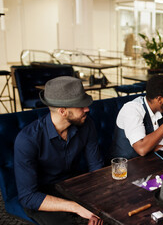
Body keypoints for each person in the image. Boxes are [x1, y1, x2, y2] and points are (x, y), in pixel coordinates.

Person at [14, 76, 104, 225]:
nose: (87, 109)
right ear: (62, 111)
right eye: (81, 106)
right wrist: (77, 207)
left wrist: (95, 205)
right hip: (42, 196)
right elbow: (28, 196)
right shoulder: (27, 139)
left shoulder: (87, 124)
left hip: (73, 185)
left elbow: (96, 167)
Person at [109, 75, 163, 159]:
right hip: (124, 166)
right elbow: (141, 149)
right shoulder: (132, 109)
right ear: (159, 99)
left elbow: (160, 147)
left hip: (147, 163)